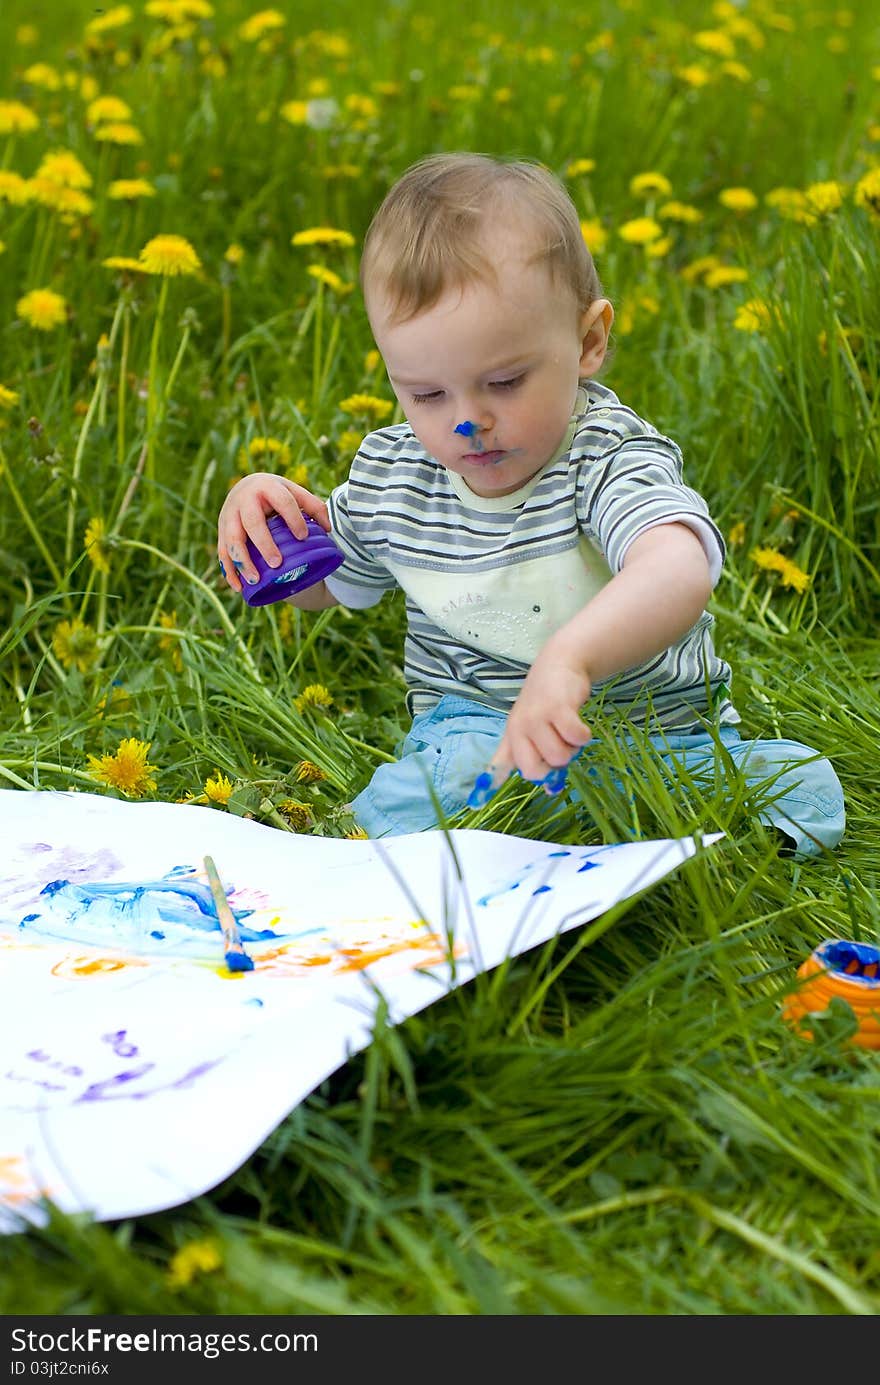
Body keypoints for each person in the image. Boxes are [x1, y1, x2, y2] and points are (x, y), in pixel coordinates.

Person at [217, 152, 845, 856]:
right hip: (482, 737)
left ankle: (635, 834)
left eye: (506, 382)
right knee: (424, 796)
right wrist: (265, 521)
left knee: (797, 785)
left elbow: (679, 566)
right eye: (426, 394)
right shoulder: (396, 477)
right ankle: (522, 840)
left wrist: (570, 659)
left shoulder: (604, 454)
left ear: (588, 341)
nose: (466, 421)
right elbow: (325, 587)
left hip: (660, 735)